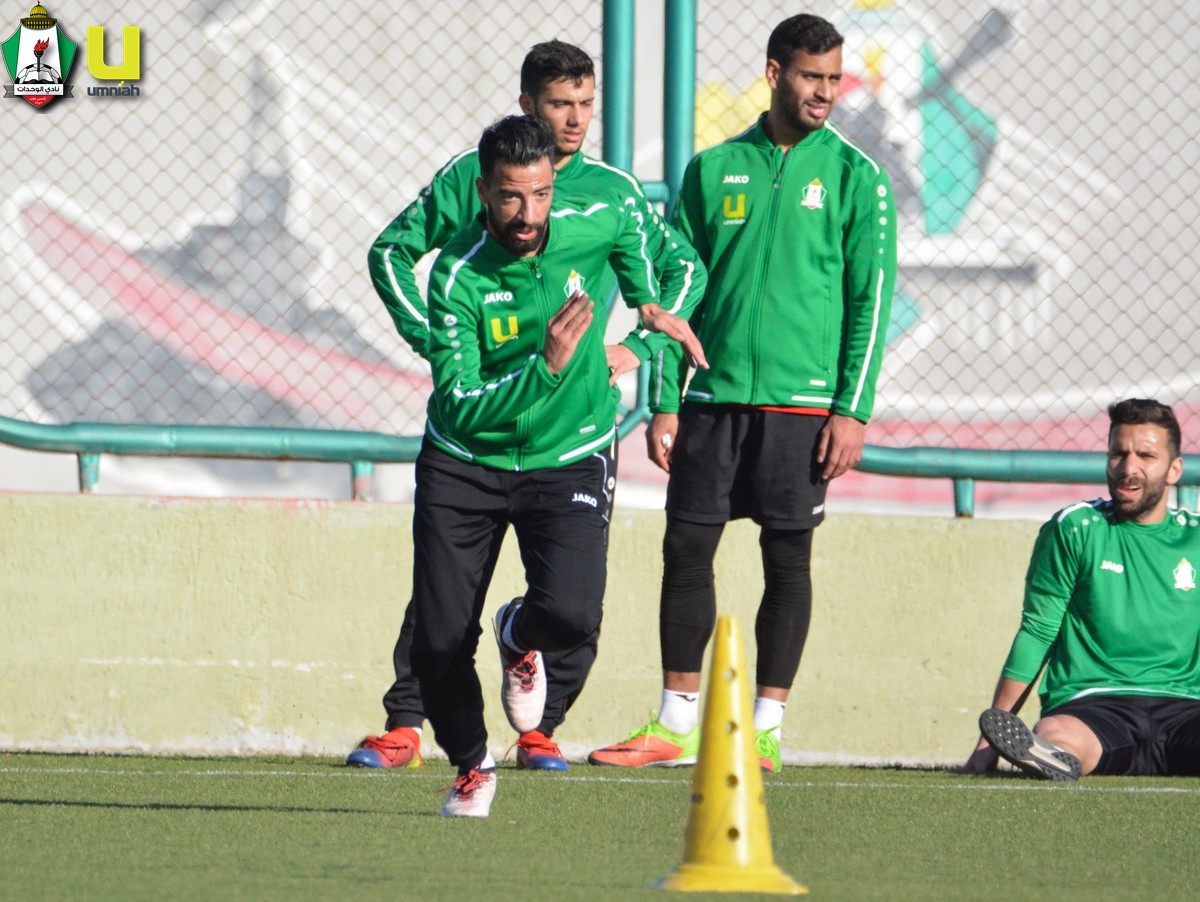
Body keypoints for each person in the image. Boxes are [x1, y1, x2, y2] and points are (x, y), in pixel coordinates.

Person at [352, 40, 701, 773]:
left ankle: (539, 726)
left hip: (568, 437)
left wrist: (637, 347)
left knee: (571, 606)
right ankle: (407, 721)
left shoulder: (611, 194)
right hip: (475, 435)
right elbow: (391, 252)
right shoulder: (475, 178)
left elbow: (680, 272)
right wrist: (435, 340)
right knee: (445, 601)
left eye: (585, 105)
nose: (573, 120)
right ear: (526, 106)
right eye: (557, 105)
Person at [589, 13, 896, 773]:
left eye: (834, 78)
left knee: (787, 561)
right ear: (774, 73)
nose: (825, 92)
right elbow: (675, 295)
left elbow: (872, 302)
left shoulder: (858, 177)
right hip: (711, 401)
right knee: (686, 549)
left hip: (803, 407)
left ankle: (763, 731)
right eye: (811, 76)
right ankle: (675, 725)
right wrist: (665, 398)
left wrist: (851, 410)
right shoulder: (711, 168)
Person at [963, 399, 1200, 780]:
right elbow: (1038, 632)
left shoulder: (1196, 537)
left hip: (1186, 708)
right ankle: (1050, 755)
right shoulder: (1076, 528)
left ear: (1174, 469)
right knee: (1058, 734)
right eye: (1118, 454)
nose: (1128, 468)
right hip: (1094, 707)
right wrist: (988, 743)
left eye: (1145, 456)